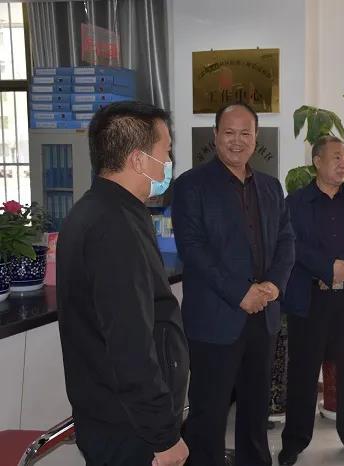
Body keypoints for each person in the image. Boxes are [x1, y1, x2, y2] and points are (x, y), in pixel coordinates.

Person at [57, 101, 189, 466]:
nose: (169, 162)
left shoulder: (102, 210)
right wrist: (164, 436)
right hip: (129, 428)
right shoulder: (113, 227)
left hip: (113, 415)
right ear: (138, 160)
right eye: (166, 151)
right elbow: (130, 345)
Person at [172, 102, 295, 466]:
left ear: (256, 138)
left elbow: (286, 240)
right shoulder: (191, 185)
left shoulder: (270, 187)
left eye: (245, 133)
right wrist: (240, 293)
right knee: (208, 415)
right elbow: (193, 249)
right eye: (229, 133)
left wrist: (274, 286)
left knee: (256, 411)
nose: (237, 141)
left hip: (263, 319)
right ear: (215, 136)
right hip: (214, 320)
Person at [278, 136, 344, 465]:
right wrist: (325, 268)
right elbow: (291, 243)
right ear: (317, 161)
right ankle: (294, 441)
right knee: (303, 372)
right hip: (309, 298)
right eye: (336, 157)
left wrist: (340, 270)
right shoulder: (296, 202)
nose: (343, 163)